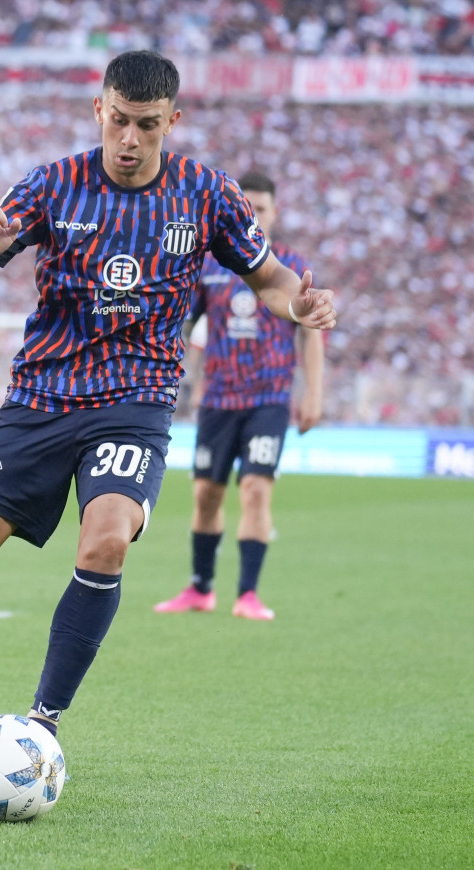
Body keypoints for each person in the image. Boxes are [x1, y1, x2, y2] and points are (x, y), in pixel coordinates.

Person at [0, 51, 337, 749]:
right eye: (118, 120)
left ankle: (42, 723)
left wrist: (299, 304)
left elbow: (269, 278)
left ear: (171, 122)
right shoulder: (54, 185)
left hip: (137, 399)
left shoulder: (208, 195)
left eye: (146, 126)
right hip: (41, 396)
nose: (128, 139)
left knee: (108, 540)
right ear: (99, 110)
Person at [154, 170, 325, 621]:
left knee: (254, 489)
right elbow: (184, 323)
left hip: (269, 398)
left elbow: (310, 335)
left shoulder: (287, 266)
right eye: (248, 208)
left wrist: (314, 394)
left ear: (274, 212)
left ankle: (247, 593)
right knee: (206, 496)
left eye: (262, 209)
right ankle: (200, 588)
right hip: (218, 398)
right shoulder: (211, 265)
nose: (255, 216)